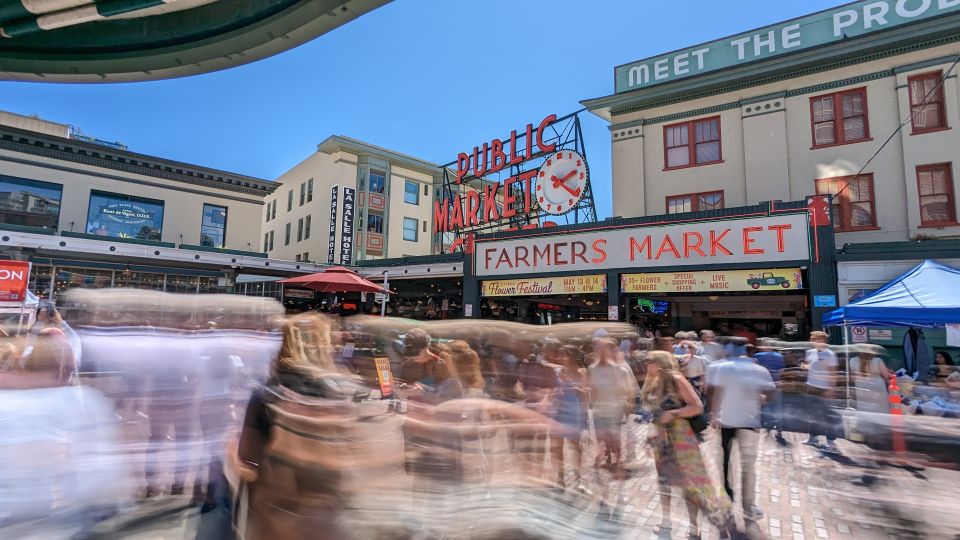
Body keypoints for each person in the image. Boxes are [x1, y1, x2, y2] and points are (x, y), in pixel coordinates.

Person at [641, 350, 736, 538]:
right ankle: (666, 521)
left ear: (661, 362)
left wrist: (673, 413)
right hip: (661, 438)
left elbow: (697, 406)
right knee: (664, 482)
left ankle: (695, 528)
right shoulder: (652, 381)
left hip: (681, 438)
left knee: (690, 484)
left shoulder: (676, 379)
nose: (646, 364)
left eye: (649, 361)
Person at [707, 338, 775, 523]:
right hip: (750, 422)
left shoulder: (723, 367)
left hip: (727, 420)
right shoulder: (758, 369)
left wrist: (714, 414)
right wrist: (761, 398)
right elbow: (770, 393)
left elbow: (716, 392)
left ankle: (727, 498)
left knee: (725, 462)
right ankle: (748, 505)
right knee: (748, 466)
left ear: (729, 348)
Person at [587, 337, 637, 505]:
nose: (601, 351)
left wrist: (625, 408)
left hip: (615, 417)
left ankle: (622, 490)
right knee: (601, 453)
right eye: (598, 348)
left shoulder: (620, 370)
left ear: (612, 350)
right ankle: (603, 492)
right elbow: (591, 394)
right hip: (599, 415)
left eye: (605, 348)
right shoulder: (591, 369)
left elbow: (630, 395)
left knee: (617, 453)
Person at [549, 345, 589, 493]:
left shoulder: (581, 374)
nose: (559, 358)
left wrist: (585, 420)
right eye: (558, 355)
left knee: (576, 448)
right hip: (558, 412)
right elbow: (551, 391)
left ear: (571, 357)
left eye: (562, 355)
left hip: (573, 414)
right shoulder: (556, 372)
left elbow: (585, 398)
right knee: (557, 448)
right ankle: (560, 479)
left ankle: (578, 480)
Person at [803, 331, 840, 453]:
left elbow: (833, 374)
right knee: (812, 415)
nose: (811, 340)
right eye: (811, 338)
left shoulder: (830, 355)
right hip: (811, 387)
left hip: (824, 389)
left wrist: (831, 389)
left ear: (822, 340)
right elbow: (807, 365)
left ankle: (831, 443)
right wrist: (804, 366)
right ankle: (813, 438)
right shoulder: (810, 352)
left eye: (814, 338)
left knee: (827, 416)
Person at [754, 343, 786, 442]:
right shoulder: (780, 356)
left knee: (765, 406)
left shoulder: (758, 356)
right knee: (778, 407)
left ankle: (767, 427)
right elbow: (782, 370)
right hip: (777, 384)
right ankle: (779, 429)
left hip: (764, 384)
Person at [848, 344, 891, 413]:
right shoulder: (877, 361)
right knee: (881, 409)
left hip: (861, 387)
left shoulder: (852, 360)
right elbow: (887, 376)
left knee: (865, 409)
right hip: (877, 387)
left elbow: (852, 377)